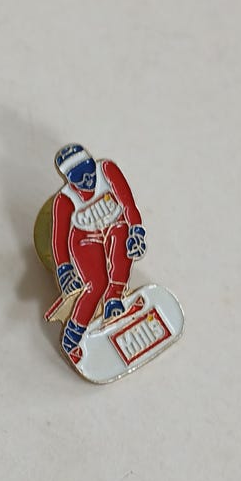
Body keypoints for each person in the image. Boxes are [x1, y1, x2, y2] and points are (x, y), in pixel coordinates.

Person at [52, 144, 146, 362]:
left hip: (114, 225)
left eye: (88, 171)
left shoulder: (106, 170)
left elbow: (127, 203)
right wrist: (64, 268)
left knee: (123, 238)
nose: (87, 180)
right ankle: (72, 336)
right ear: (68, 179)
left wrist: (136, 231)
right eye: (78, 178)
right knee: (97, 284)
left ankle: (114, 299)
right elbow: (59, 238)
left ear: (92, 163)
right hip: (85, 237)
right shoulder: (64, 199)